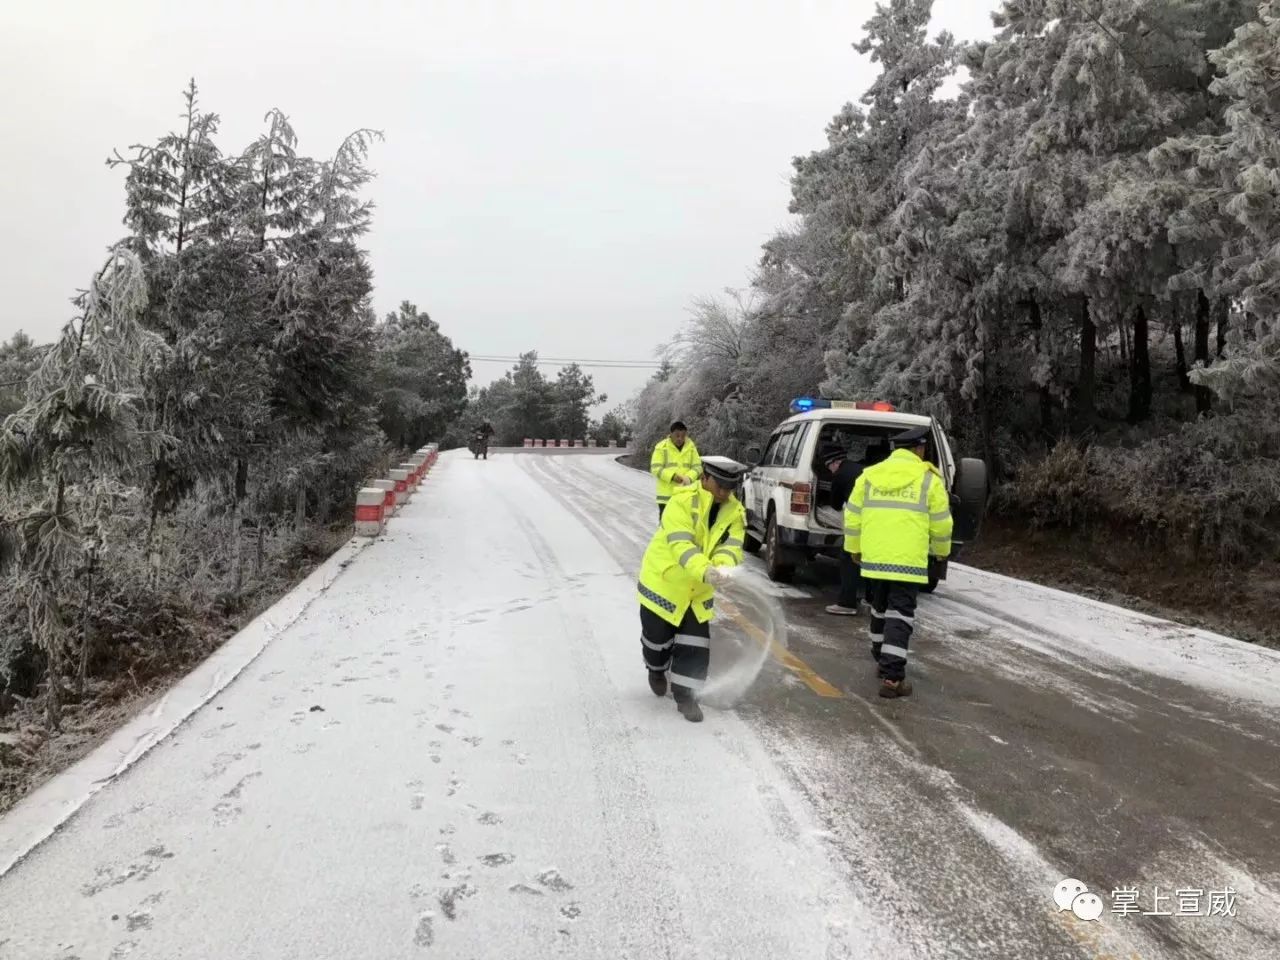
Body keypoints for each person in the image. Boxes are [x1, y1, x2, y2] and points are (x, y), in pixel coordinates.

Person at [844, 425, 952, 699]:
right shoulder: (929, 479)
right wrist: (941, 552)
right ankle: (892, 678)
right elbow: (941, 524)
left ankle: (881, 655)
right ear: (919, 449)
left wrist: (854, 550)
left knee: (879, 607)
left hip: (875, 557)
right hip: (908, 561)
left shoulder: (869, 476)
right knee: (900, 614)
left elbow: (853, 517)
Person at [636, 456, 747, 722]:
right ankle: (656, 668)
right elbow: (681, 544)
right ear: (705, 478)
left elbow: (732, 545)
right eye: (720, 486)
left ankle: (686, 697)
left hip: (697, 591)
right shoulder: (681, 501)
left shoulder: (735, 511)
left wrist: (723, 567)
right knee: (657, 641)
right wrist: (705, 570)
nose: (724, 493)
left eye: (729, 488)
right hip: (665, 584)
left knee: (695, 644)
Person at [819, 443, 866, 616]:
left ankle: (847, 603)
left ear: (834, 463)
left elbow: (836, 505)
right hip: (877, 522)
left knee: (848, 558)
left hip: (858, 522)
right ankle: (871, 598)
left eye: (828, 467)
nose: (829, 471)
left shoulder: (840, 475)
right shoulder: (862, 469)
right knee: (870, 559)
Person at [649, 420, 702, 521]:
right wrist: (672, 476)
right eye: (677, 435)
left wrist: (689, 478)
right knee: (666, 525)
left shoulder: (691, 447)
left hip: (686, 494)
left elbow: (698, 467)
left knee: (684, 524)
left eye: (683, 436)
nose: (680, 439)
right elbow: (655, 468)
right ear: (670, 434)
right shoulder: (661, 447)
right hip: (666, 496)